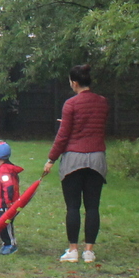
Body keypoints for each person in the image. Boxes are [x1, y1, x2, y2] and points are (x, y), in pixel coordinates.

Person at [45, 64, 110, 263]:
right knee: (93, 207)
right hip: (97, 157)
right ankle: (89, 251)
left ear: (74, 83)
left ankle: (73, 250)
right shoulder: (103, 102)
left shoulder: (70, 104)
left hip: (74, 158)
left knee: (73, 207)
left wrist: (51, 159)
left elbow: (63, 135)